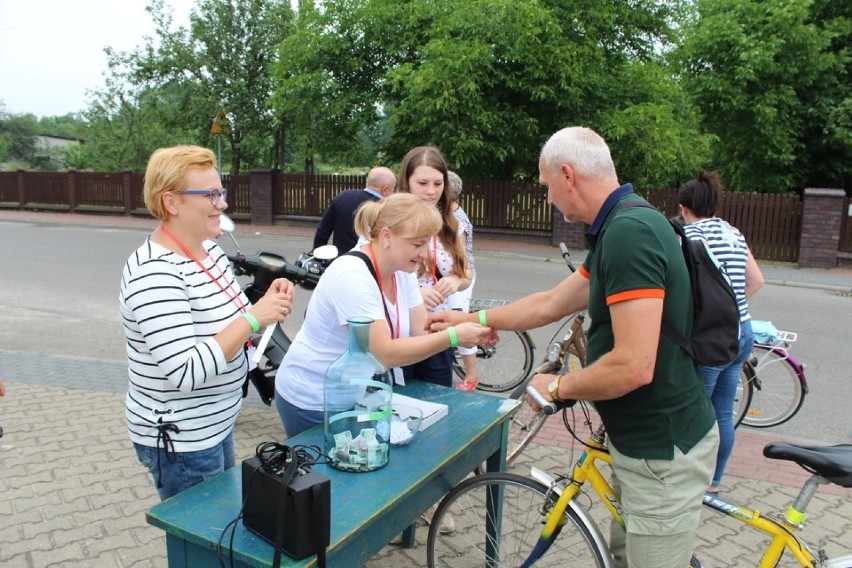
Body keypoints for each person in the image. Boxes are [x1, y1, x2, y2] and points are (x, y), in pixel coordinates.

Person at [428, 127, 719, 568]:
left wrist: (560, 386)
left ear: (568, 175)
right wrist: (469, 319)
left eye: (546, 186)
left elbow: (635, 365)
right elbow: (550, 303)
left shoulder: (629, 234)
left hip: (661, 448)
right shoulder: (624, 223)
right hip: (642, 439)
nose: (547, 198)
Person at [120, 145, 295, 501]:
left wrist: (264, 304)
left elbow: (229, 320)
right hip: (184, 439)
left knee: (222, 529)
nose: (223, 204)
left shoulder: (208, 250)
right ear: (172, 203)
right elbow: (186, 372)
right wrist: (252, 318)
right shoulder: (154, 273)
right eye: (210, 194)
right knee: (205, 545)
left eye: (221, 192)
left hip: (214, 423)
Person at [274, 192, 490, 437]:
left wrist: (475, 325)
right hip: (311, 399)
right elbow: (383, 354)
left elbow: (422, 329)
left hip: (349, 393)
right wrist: (454, 337)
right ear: (386, 236)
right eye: (418, 244)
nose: (424, 254)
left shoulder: (402, 270)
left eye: (426, 244)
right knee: (324, 472)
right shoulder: (352, 275)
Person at [678, 171, 764, 493]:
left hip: (714, 336)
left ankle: (691, 481)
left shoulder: (689, 236)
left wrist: (712, 311)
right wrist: (731, 304)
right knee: (723, 410)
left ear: (684, 208)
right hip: (743, 330)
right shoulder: (734, 233)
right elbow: (756, 281)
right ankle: (715, 480)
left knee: (698, 408)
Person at [396, 146, 471, 387]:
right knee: (398, 404)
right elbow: (368, 275)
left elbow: (467, 274)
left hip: (439, 329)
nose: (431, 191)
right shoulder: (388, 220)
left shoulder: (453, 223)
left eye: (438, 184)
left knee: (438, 402)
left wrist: (456, 281)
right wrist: (414, 294)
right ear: (406, 182)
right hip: (400, 332)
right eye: (423, 183)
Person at [445, 171, 480, 390]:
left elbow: (461, 261)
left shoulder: (457, 219)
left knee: (459, 322)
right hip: (453, 276)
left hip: (460, 276)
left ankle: (471, 375)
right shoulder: (449, 212)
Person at [312, 166, 397, 252]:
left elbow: (323, 231)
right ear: (385, 189)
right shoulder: (384, 208)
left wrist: (317, 255)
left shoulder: (343, 196)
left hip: (339, 260)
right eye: (393, 190)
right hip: (368, 261)